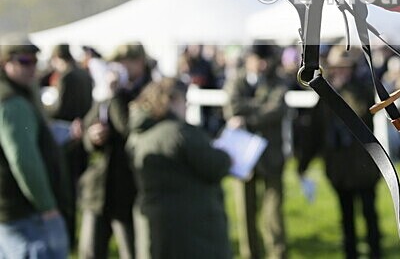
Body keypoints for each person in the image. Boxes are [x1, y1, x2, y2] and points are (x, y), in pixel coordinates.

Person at [127, 77, 232, 259]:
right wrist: (227, 153)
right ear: (171, 100)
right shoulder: (179, 132)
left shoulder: (138, 134)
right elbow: (215, 165)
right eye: (185, 101)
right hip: (191, 227)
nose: (187, 107)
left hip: (155, 222)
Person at [296, 46, 383, 259]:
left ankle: (375, 253)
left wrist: (343, 90)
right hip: (339, 169)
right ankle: (350, 253)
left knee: (370, 215)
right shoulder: (325, 95)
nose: (340, 71)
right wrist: (303, 164)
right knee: (346, 218)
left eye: (345, 67)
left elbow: (361, 112)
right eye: (337, 68)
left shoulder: (361, 90)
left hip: (363, 167)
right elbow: (315, 132)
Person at [78, 43, 153, 259]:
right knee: (90, 251)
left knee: (131, 250)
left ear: (138, 62)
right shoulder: (106, 91)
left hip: (128, 188)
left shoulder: (149, 91)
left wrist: (116, 95)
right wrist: (92, 137)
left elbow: (129, 129)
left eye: (122, 64)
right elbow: (88, 127)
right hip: (98, 188)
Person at [0, 36, 71, 259]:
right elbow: (23, 159)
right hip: (22, 211)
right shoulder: (12, 102)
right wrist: (47, 205)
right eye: (24, 61)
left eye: (34, 60)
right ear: (5, 63)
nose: (31, 67)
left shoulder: (16, 95)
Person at [223, 43, 289, 259]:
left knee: (273, 216)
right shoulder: (236, 81)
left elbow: (277, 108)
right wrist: (260, 108)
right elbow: (231, 107)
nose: (262, 64)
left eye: (265, 59)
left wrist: (247, 117)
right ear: (248, 58)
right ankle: (250, 254)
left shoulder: (277, 80)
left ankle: (277, 254)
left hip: (271, 157)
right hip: (243, 158)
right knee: (245, 213)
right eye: (257, 58)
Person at [42, 43, 94, 249]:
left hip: (67, 138)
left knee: (66, 190)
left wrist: (45, 109)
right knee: (77, 187)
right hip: (83, 136)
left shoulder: (66, 77)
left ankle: (69, 237)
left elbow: (60, 108)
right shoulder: (84, 73)